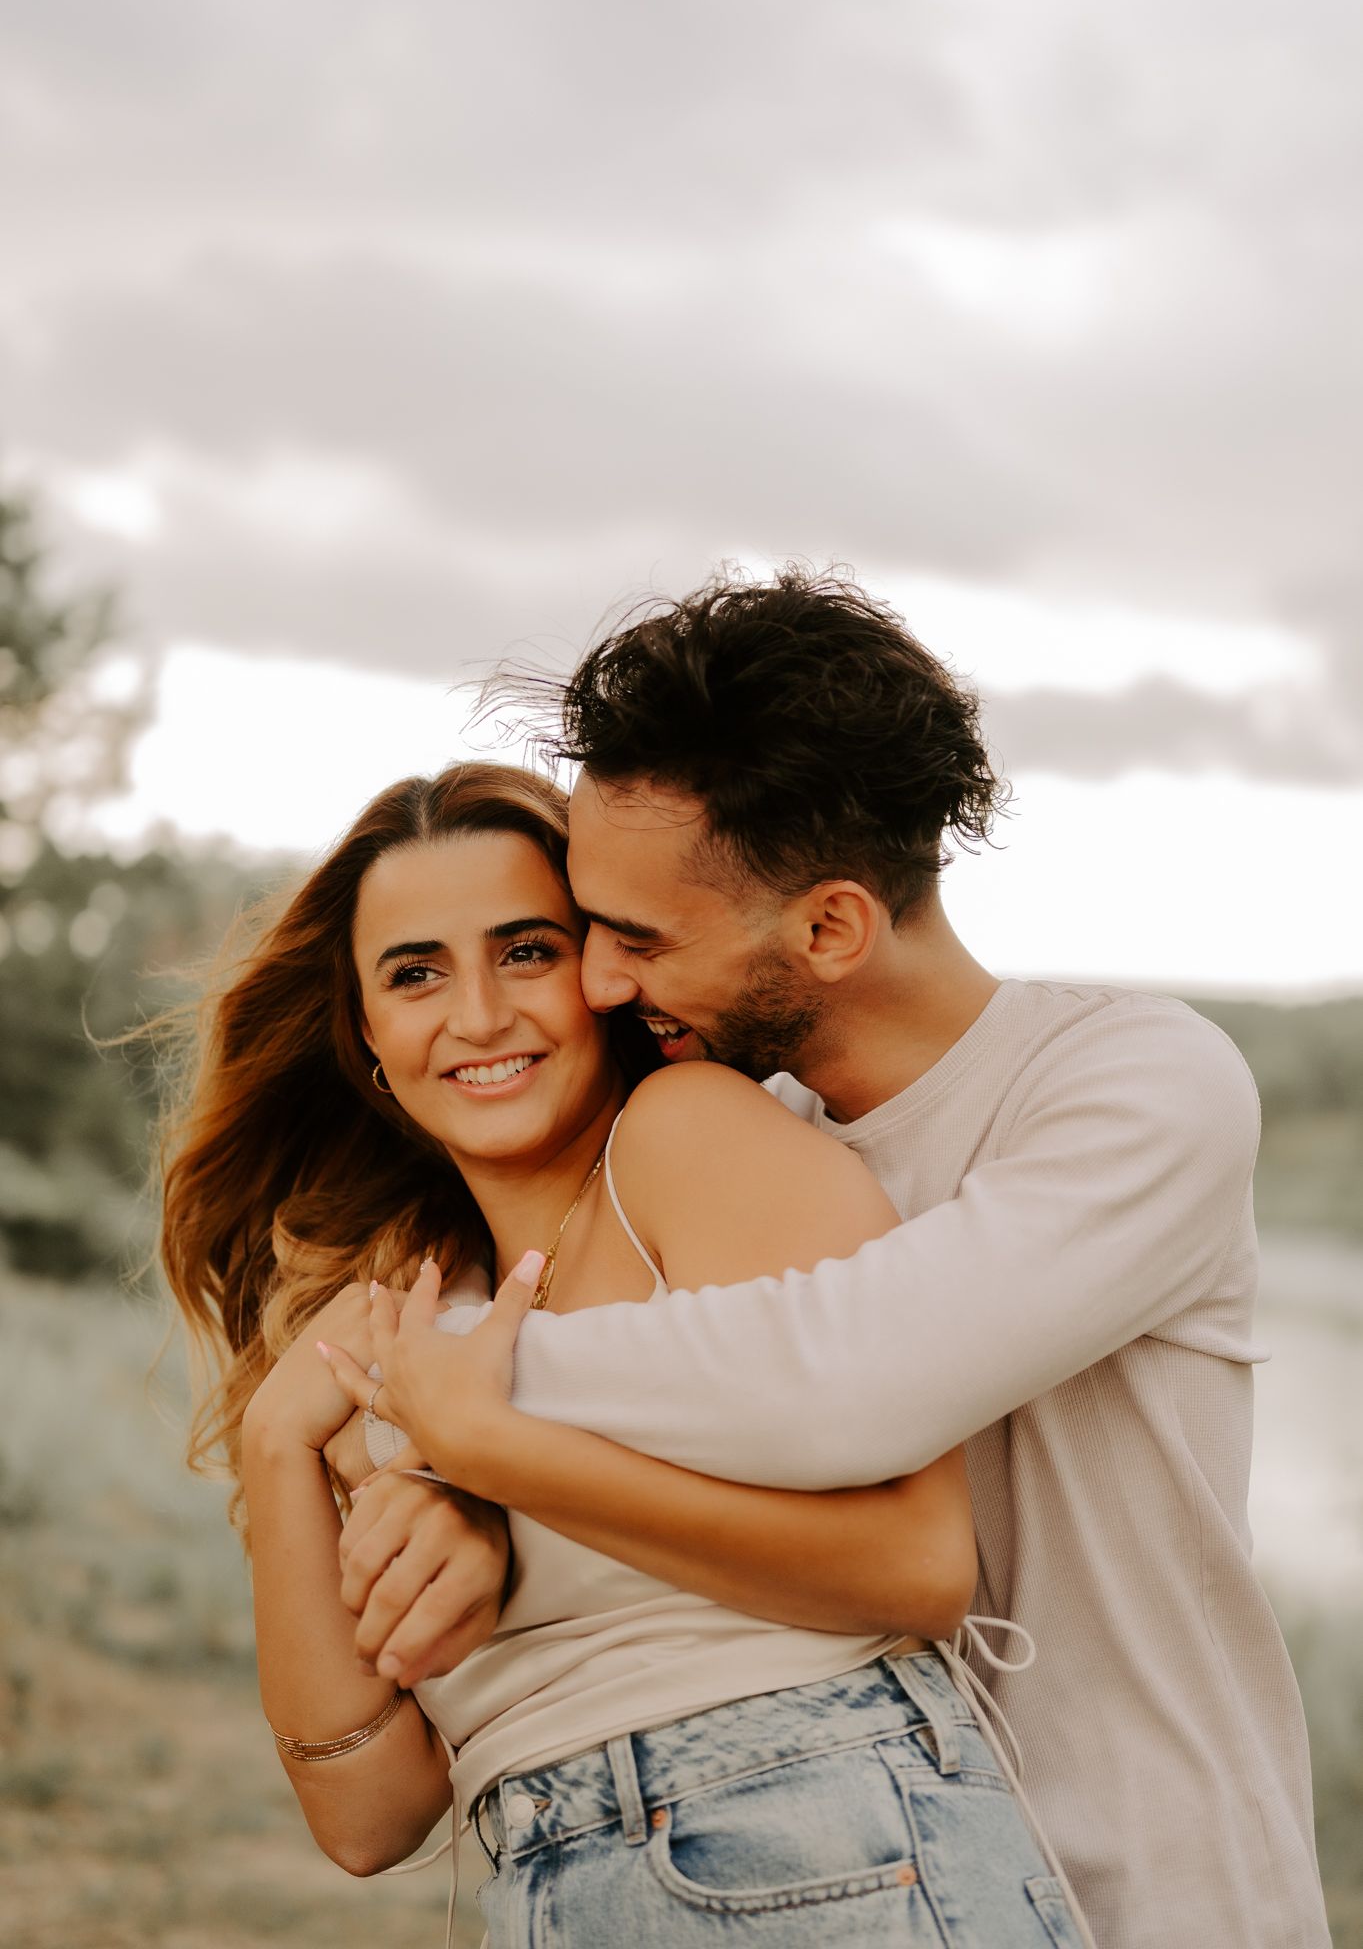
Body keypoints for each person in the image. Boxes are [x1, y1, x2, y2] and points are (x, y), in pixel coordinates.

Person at [343, 568, 1330, 1949]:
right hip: (839, 1873)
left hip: (1150, 1893)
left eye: (635, 939)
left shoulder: (1130, 1086)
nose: (603, 986)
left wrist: (455, 1394)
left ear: (827, 928)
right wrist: (468, 1478)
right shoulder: (762, 1144)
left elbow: (844, 1380)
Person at [159, 760, 1088, 1949]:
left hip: (821, 1829)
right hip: (553, 1884)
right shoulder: (398, 1326)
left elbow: (914, 1567)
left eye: (527, 950)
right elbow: (368, 1814)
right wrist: (278, 1438)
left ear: (601, 976)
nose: (482, 1014)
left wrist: (499, 1467)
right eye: (416, 972)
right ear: (369, 1037)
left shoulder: (681, 1135)